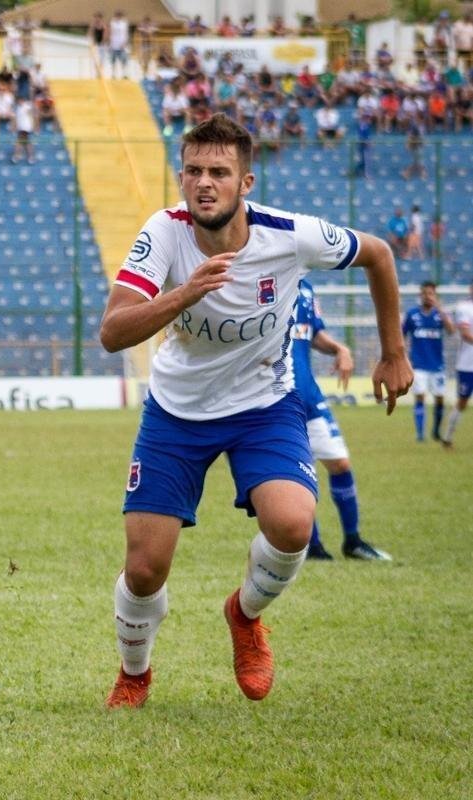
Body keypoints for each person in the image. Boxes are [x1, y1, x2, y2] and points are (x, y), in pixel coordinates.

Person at [98, 114, 411, 709]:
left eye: (219, 172)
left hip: (263, 405)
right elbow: (113, 332)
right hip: (177, 412)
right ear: (182, 177)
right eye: (193, 171)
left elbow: (379, 254)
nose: (204, 183)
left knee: (293, 524)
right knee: (144, 570)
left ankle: (244, 617)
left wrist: (392, 352)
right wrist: (185, 292)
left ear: (246, 182)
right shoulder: (163, 233)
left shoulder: (290, 234)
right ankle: (135, 672)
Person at [292, 280, 393, 561]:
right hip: (276, 398)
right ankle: (312, 546)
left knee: (340, 463)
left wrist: (340, 348)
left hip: (309, 394)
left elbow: (313, 333)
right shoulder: (262, 276)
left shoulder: (307, 287)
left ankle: (353, 540)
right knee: (298, 472)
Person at [403, 281, 456, 442]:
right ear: (420, 295)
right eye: (425, 293)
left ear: (435, 296)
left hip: (437, 365)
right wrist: (404, 357)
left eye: (431, 293)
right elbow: (401, 335)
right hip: (418, 364)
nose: (427, 296)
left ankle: (436, 430)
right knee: (420, 396)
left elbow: (452, 331)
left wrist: (440, 309)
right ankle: (420, 434)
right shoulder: (412, 314)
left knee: (439, 398)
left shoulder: (440, 315)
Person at [442, 280, 473, 447]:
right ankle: (447, 437)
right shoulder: (464, 308)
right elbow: (466, 334)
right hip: (468, 365)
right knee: (462, 402)